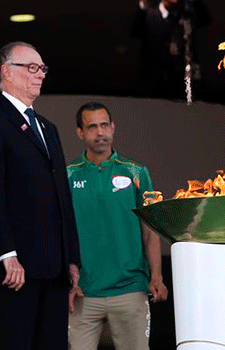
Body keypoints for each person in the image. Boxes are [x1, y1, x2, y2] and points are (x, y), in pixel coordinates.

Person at [0, 41, 81, 350]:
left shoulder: (49, 128)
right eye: (32, 68)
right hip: (14, 269)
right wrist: (7, 254)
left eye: (42, 69)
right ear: (7, 72)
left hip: (54, 268)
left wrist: (71, 259)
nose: (40, 75)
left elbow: (63, 199)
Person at [67, 102, 168, 350]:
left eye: (104, 125)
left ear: (113, 127)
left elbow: (150, 228)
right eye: (92, 127)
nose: (100, 132)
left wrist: (156, 275)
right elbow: (59, 231)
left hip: (130, 288)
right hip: (83, 293)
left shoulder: (137, 172)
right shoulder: (66, 176)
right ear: (80, 132)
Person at [130, 0, 211, 100]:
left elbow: (205, 19)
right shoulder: (148, 15)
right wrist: (143, 5)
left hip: (182, 84)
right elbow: (134, 31)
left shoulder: (188, 16)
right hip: (152, 84)